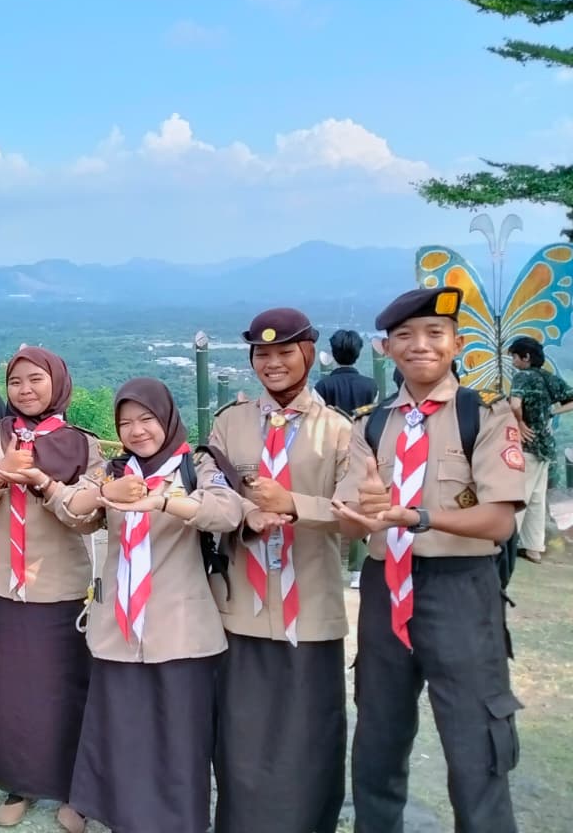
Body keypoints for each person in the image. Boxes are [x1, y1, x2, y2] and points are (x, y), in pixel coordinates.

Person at [332, 286, 526, 833]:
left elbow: (499, 521)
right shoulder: (370, 423)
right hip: (384, 587)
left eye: (434, 334)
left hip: (458, 587)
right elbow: (349, 518)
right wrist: (362, 514)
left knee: (476, 741)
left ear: (457, 344)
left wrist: (418, 517)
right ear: (386, 348)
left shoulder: (485, 414)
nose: (420, 345)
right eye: (405, 336)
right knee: (378, 734)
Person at [53, 378, 242, 833]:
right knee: (118, 722)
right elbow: (70, 509)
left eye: (147, 419)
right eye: (126, 423)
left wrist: (163, 501)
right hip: (119, 624)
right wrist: (105, 495)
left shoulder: (197, 465)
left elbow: (227, 511)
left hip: (179, 625)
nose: (137, 431)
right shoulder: (115, 471)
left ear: (168, 418)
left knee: (178, 730)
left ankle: (176, 819)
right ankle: (113, 810)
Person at [207, 309, 352, 833]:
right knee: (240, 732)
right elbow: (211, 486)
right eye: (262, 354)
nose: (273, 363)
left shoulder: (339, 430)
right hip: (243, 605)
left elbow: (355, 513)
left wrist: (293, 504)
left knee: (309, 731)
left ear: (308, 354)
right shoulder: (230, 423)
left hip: (310, 605)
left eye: (285, 352)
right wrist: (247, 512)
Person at [0, 347, 101, 833]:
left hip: (59, 586)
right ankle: (17, 781)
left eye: (36, 379)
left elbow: (88, 518)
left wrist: (42, 482)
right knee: (7, 687)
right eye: (16, 381)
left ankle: (73, 787)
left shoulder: (82, 444)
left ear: (57, 383)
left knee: (64, 688)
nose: (25, 390)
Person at [506, 335, 573, 564]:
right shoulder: (549, 378)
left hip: (526, 445)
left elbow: (515, 404)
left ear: (526, 357)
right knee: (536, 499)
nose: (514, 361)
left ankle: (507, 546)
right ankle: (533, 548)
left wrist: (520, 423)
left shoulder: (522, 377)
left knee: (518, 496)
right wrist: (552, 413)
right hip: (545, 445)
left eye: (515, 357)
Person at [315, 328, 378, 415]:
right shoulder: (372, 386)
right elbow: (373, 416)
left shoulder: (322, 387)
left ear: (333, 353)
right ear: (357, 354)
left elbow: (315, 417)